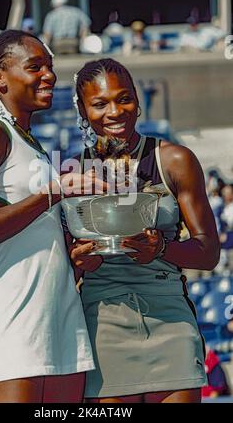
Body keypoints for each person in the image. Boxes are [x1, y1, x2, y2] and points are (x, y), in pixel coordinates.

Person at [0, 29, 98, 403]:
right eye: (35, 67)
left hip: (59, 313)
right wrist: (55, 192)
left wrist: (77, 257)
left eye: (49, 67)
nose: (49, 76)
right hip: (11, 315)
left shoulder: (32, 144)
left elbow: (35, 232)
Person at [67, 58, 220, 403]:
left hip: (170, 317)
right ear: (83, 110)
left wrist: (162, 249)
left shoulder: (175, 160)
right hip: (101, 319)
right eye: (100, 103)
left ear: (137, 100)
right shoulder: (73, 171)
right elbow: (65, 261)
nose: (115, 112)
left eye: (124, 99)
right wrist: (78, 262)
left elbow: (209, 252)